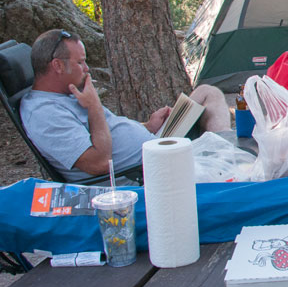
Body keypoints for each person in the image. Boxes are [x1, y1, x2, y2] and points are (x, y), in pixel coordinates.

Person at [21, 28, 230, 181]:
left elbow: (107, 129)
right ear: (57, 65)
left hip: (154, 144)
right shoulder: (44, 114)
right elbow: (101, 163)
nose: (86, 69)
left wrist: (147, 126)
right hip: (147, 171)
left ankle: (227, 155)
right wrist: (94, 106)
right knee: (228, 165)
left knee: (207, 93)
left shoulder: (66, 93)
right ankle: (228, 161)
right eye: (80, 62)